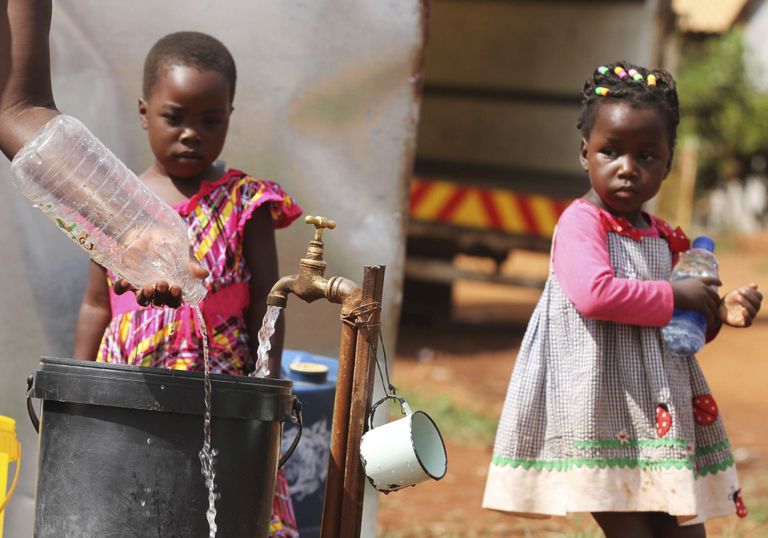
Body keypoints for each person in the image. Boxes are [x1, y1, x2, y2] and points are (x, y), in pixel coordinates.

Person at [482, 61, 763, 538]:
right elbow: (595, 295)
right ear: (584, 152)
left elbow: (681, 333)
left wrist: (718, 314)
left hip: (658, 416)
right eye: (610, 151)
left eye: (647, 156)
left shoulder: (668, 239)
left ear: (669, 162)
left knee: (685, 531)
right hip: (598, 410)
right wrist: (677, 294)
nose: (627, 168)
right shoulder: (582, 223)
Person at [70, 31, 302, 536]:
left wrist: (267, 383)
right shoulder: (114, 203)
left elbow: (267, 298)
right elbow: (95, 305)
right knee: (131, 499)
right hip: (132, 380)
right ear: (143, 111)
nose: (191, 133)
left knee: (224, 500)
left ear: (229, 116)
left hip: (220, 386)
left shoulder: (248, 202)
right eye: (175, 117)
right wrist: (79, 391)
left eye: (210, 120)